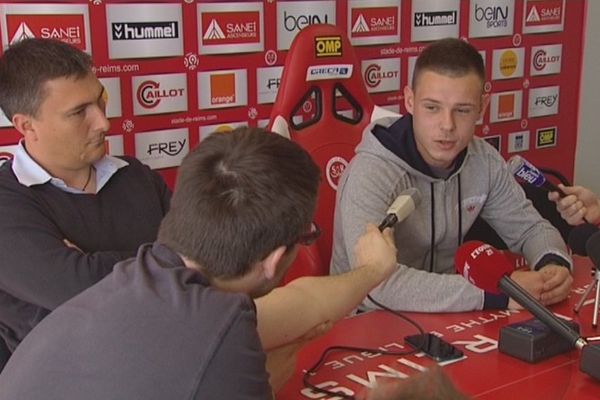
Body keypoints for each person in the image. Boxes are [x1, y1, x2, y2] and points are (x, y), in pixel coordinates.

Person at [0, 127, 399, 399]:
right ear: (276, 259)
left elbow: (302, 304)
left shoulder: (137, 279)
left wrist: (372, 272)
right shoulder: (218, 335)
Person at [331, 37, 573, 313]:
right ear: (410, 101)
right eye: (432, 108)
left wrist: (552, 263)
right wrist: (497, 294)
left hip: (448, 318)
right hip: (363, 324)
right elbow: (373, 286)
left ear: (482, 107)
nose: (447, 125)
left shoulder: (484, 161)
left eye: (462, 110)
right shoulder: (371, 172)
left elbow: (531, 228)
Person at [0, 38, 171, 361]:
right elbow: (74, 287)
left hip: (168, 356)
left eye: (99, 101)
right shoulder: (7, 201)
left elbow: (204, 257)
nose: (104, 123)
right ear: (26, 125)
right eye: (79, 112)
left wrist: (94, 266)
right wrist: (168, 259)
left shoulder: (136, 175)